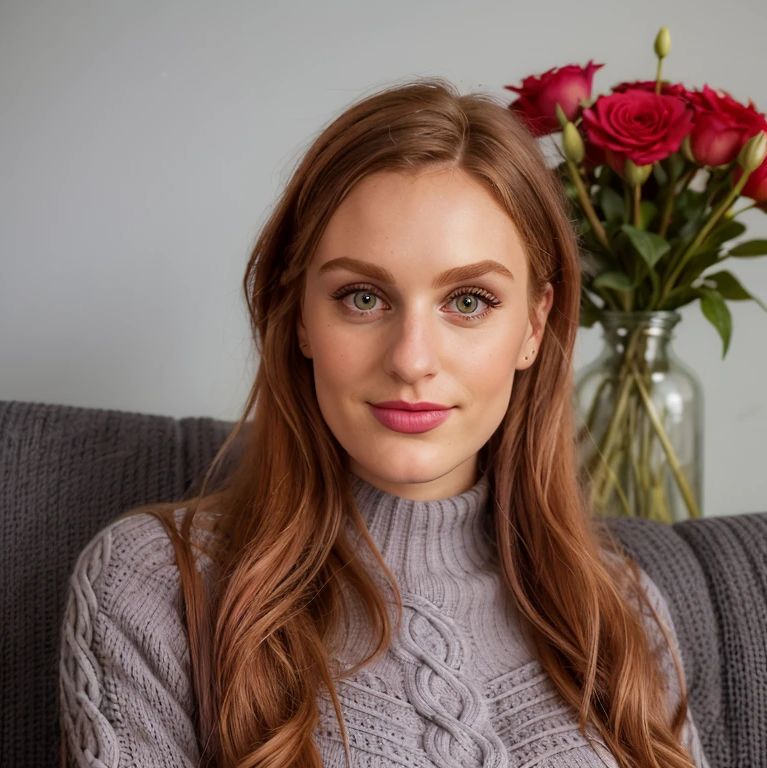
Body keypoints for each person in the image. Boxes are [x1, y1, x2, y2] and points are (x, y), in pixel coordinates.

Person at [58, 77, 710, 768]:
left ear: (536, 324)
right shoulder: (153, 585)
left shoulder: (621, 608)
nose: (411, 360)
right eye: (362, 296)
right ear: (299, 313)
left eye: (468, 300)